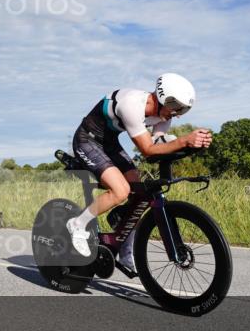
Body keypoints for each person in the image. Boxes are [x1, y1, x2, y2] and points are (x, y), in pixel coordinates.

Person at [66, 73, 213, 271]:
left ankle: (125, 250)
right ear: (163, 99)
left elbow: (157, 147)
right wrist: (184, 140)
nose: (177, 115)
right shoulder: (131, 105)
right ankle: (77, 224)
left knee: (138, 189)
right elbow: (147, 150)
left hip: (109, 143)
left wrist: (191, 146)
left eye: (183, 111)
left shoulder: (162, 116)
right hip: (87, 140)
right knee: (120, 191)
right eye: (176, 108)